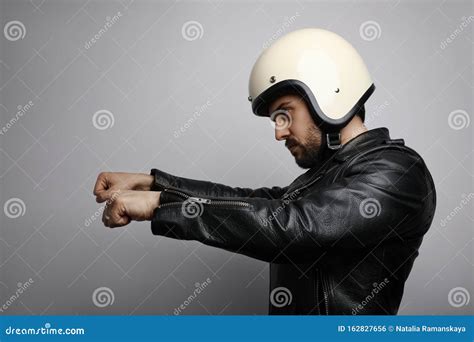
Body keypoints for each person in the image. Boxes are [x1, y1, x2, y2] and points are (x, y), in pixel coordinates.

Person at [93, 28, 436, 315]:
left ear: (329, 95)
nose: (279, 132)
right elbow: (256, 203)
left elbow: (292, 227)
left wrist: (158, 206)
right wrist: (154, 184)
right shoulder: (329, 176)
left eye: (285, 114)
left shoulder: (398, 172)